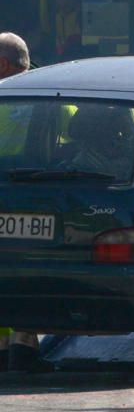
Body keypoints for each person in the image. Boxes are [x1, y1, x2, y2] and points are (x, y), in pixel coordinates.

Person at [0, 32, 54, 373]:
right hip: (40, 198)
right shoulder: (55, 97)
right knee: (34, 269)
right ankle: (22, 341)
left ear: (3, 64)